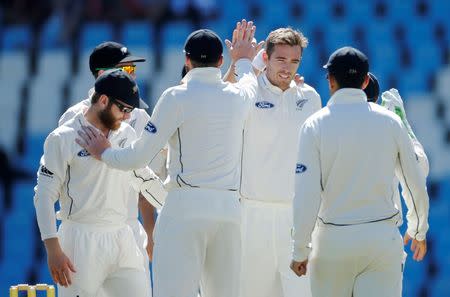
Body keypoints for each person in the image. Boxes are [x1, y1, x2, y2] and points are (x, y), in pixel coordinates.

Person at [75, 21, 261, 297]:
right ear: (221, 60)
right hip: (228, 210)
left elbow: (137, 157)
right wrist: (244, 58)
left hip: (184, 209)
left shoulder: (175, 97)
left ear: (186, 60)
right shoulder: (238, 96)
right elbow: (250, 79)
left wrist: (104, 152)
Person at [290, 46, 430, 297]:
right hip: (381, 240)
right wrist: (418, 229)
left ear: (330, 81)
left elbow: (306, 195)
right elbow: (414, 181)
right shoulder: (390, 121)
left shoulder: (314, 125)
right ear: (366, 81)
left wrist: (300, 249)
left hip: (333, 241)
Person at [34, 69, 166, 297]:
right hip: (80, 240)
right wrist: (52, 248)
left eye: (130, 111)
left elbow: (142, 177)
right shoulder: (63, 137)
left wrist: (176, 204)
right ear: (103, 100)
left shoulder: (125, 133)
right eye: (124, 109)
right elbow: (44, 195)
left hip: (122, 237)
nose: (127, 117)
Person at [223, 27, 321, 297]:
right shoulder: (247, 92)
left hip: (295, 217)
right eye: (281, 59)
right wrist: (238, 63)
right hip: (251, 214)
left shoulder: (310, 97)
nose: (288, 68)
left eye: (294, 61)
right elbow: (221, 96)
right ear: (265, 58)